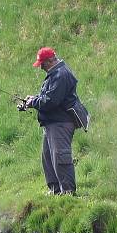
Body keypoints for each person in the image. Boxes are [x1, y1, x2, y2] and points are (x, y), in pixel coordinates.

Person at [24, 47, 79, 194]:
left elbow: (51, 101)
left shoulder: (61, 75)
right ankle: (55, 191)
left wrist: (34, 102)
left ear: (50, 61)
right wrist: (32, 100)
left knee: (61, 157)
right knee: (48, 158)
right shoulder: (55, 74)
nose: (40, 67)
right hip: (52, 123)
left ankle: (68, 192)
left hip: (61, 123)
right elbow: (48, 96)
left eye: (42, 63)